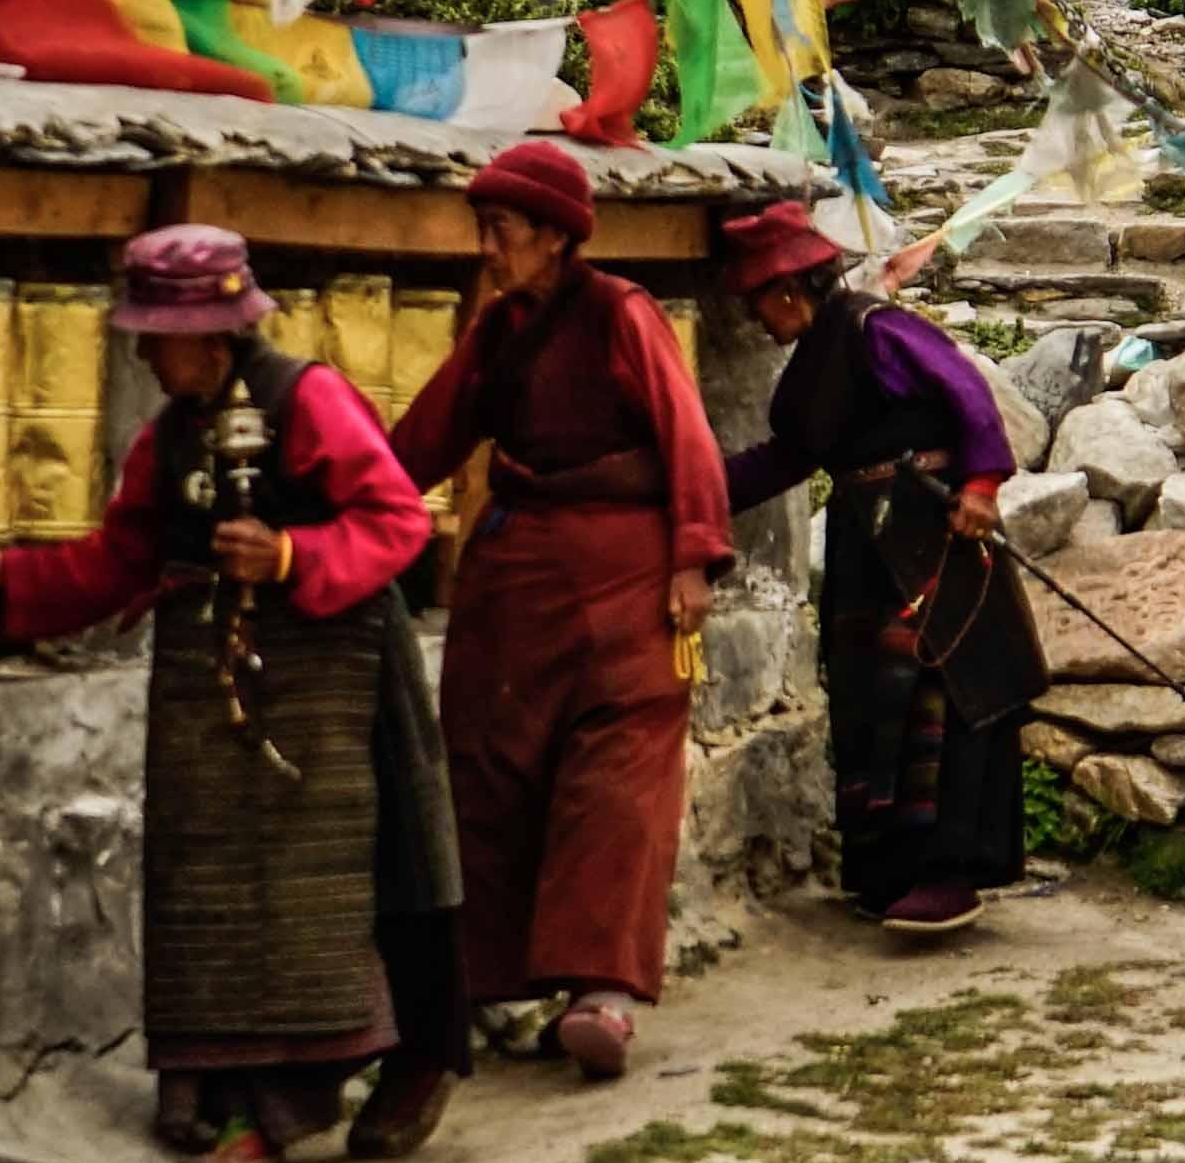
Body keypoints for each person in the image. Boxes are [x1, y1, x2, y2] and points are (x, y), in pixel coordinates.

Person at [0, 224, 461, 1163]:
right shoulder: (170, 438)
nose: (145, 356)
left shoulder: (309, 400)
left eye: (158, 337)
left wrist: (291, 556)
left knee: (313, 884)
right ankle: (217, 1090)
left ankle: (283, 1108)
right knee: (209, 884)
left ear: (212, 333)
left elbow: (397, 519)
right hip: (207, 684)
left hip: (328, 678)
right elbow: (123, 557)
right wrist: (3, 574)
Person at [386, 138, 729, 1082]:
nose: (487, 250)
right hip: (518, 585)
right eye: (483, 230)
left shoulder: (622, 313)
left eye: (500, 231)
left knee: (617, 782)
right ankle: (490, 981)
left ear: (552, 235)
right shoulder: (499, 330)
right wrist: (342, 504)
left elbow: (687, 434)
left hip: (628, 582)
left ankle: (600, 993)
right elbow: (424, 438)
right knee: (487, 765)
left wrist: (695, 558)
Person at [712, 200, 1039, 936]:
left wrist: (982, 484)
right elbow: (788, 459)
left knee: (940, 691)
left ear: (787, 291)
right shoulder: (810, 369)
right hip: (867, 547)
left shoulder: (876, 329)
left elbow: (966, 393)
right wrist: (694, 489)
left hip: (934, 531)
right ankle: (889, 871)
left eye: (756, 301)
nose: (754, 320)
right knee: (870, 696)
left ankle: (951, 872)